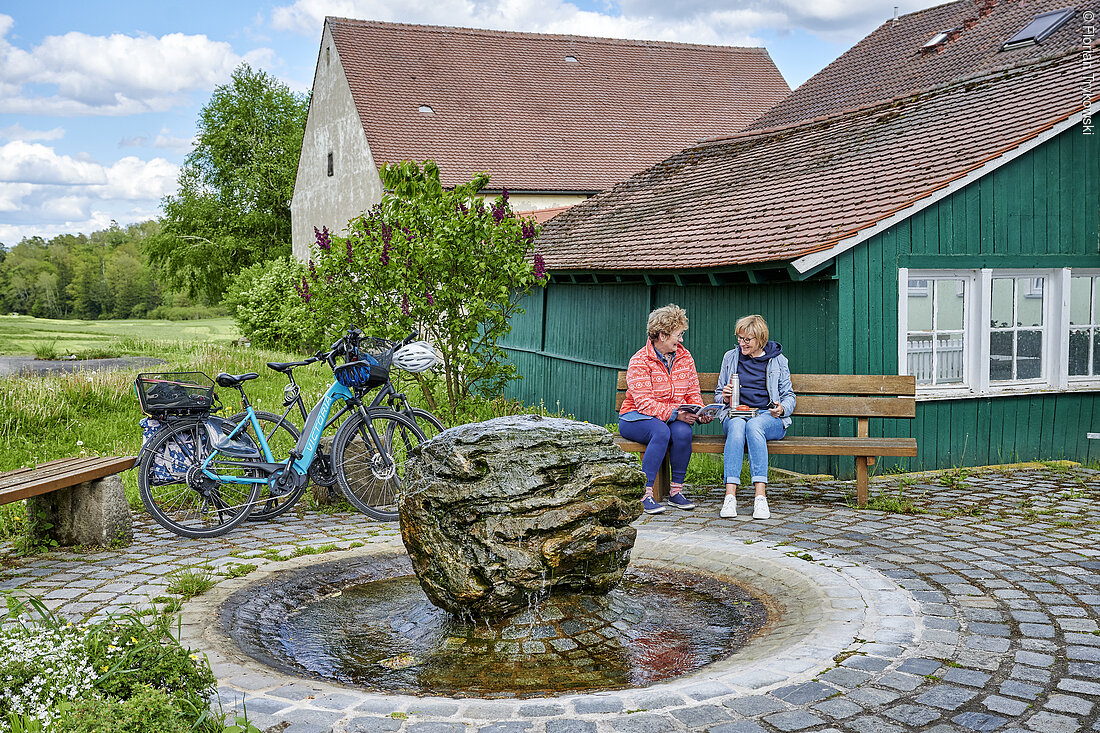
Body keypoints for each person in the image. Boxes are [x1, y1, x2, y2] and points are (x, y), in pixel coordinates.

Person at [619, 304, 713, 515]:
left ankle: (676, 492)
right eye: (678, 335)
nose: (681, 340)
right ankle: (644, 494)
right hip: (636, 417)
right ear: (662, 335)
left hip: (669, 416)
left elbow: (692, 392)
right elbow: (644, 403)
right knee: (661, 431)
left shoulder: (685, 357)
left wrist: (699, 412)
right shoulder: (640, 361)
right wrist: (675, 414)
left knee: (682, 432)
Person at [715, 314, 795, 520]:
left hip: (767, 416)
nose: (742, 344)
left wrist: (782, 409)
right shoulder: (730, 358)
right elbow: (718, 394)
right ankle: (730, 497)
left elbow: (789, 396)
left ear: (760, 339)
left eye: (747, 340)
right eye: (739, 339)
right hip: (737, 413)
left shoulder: (778, 360)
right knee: (737, 427)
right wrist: (724, 396)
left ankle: (760, 497)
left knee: (754, 426)